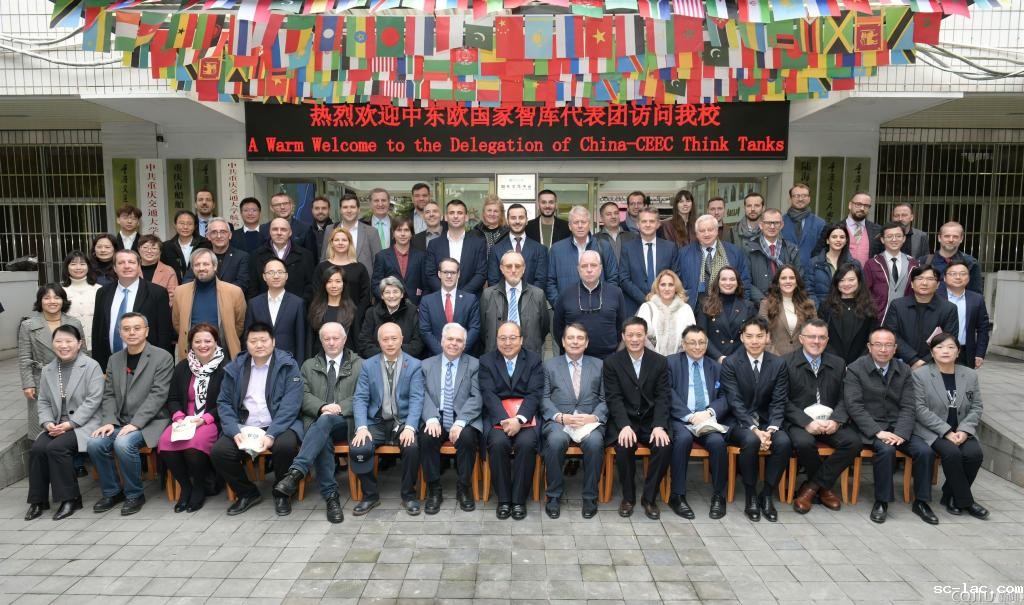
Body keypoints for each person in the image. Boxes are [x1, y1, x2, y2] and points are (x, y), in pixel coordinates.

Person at [273, 322, 364, 524]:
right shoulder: (308, 365)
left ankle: (296, 472)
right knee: (323, 436)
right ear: (321, 341)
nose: (331, 342)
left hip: (346, 422)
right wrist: (322, 407)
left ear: (344, 339)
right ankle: (332, 498)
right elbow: (302, 395)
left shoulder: (359, 364)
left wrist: (338, 407)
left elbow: (363, 395)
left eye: (335, 338)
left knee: (326, 422)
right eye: (326, 338)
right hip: (317, 422)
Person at [212, 322, 304, 516]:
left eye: (264, 340)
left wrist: (271, 434)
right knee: (220, 452)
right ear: (246, 344)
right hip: (244, 425)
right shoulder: (235, 367)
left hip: (279, 423)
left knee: (285, 446)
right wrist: (233, 431)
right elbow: (224, 402)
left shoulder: (288, 365)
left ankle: (281, 492)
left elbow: (291, 405)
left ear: (273, 342)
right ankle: (247, 493)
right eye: (253, 341)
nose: (259, 345)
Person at [843, 327, 933, 524]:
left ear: (895, 348)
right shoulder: (856, 368)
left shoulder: (904, 370)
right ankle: (882, 501)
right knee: (886, 450)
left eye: (888, 345)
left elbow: (909, 405)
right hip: (871, 427)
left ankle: (922, 502)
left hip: (899, 426)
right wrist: (878, 432)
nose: (883, 349)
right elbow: (854, 406)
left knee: (924, 451)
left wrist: (901, 433)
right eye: (878, 345)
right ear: (869, 347)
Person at [88, 312, 173, 516]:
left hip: (152, 421)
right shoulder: (114, 359)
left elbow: (158, 395)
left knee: (123, 443)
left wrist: (136, 424)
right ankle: (112, 492)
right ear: (120, 333)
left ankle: (135, 494)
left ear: (146, 331)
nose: (132, 333)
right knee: (95, 443)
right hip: (120, 421)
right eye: (126, 329)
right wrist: (109, 421)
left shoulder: (162, 357)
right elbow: (109, 394)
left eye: (137, 328)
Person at [25, 324, 103, 521]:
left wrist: (71, 424)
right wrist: (47, 423)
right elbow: (43, 401)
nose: (64, 345)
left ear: (79, 344)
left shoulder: (91, 366)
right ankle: (38, 500)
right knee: (38, 448)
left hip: (85, 423)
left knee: (57, 448)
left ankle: (71, 499)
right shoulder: (48, 369)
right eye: (59, 341)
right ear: (53, 344)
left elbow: (93, 400)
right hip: (58, 423)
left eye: (69, 341)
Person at [784, 319, 861, 515]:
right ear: (801, 339)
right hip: (799, 422)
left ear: (827, 340)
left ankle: (811, 488)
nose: (816, 341)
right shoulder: (785, 362)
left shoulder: (838, 363)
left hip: (829, 421)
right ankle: (824, 489)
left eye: (821, 337)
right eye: (812, 337)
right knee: (804, 443)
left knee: (853, 442)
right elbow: (782, 400)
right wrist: (806, 423)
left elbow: (845, 398)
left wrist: (837, 420)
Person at [720, 316, 791, 522]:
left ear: (767, 337)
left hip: (768, 421)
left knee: (784, 442)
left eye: (759, 336)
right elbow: (734, 401)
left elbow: (779, 400)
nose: (754, 341)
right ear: (742, 337)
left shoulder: (778, 363)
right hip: (738, 421)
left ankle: (766, 494)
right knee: (751, 441)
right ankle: (750, 494)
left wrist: (771, 429)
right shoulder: (731, 363)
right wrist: (753, 429)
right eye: (749, 336)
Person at [349, 322, 425, 515]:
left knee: (412, 446)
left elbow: (417, 399)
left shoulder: (414, 365)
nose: (390, 343)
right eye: (385, 339)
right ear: (379, 341)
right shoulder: (368, 365)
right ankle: (370, 495)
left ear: (402, 339)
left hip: (402, 422)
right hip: (376, 422)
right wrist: (361, 427)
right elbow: (360, 398)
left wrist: (411, 427)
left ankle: (408, 495)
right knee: (359, 447)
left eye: (394, 338)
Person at [910, 333, 988, 520]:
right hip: (933, 431)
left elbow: (977, 406)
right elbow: (919, 409)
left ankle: (951, 495)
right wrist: (946, 431)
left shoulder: (969, 375)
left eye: (951, 347)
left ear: (958, 352)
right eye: (939, 347)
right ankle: (966, 501)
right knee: (952, 453)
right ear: (932, 352)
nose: (945, 351)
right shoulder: (920, 375)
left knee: (974, 454)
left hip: (961, 430)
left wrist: (964, 430)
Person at [604, 317, 672, 520]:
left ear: (645, 337)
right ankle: (628, 497)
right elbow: (613, 398)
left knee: (664, 446)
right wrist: (624, 425)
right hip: (626, 420)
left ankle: (649, 498)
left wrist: (659, 425)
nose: (634, 339)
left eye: (639, 335)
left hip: (651, 420)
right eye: (630, 335)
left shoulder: (659, 361)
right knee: (624, 446)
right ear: (623, 336)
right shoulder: (612, 363)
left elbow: (663, 397)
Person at [157, 323, 226, 513]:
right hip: (185, 419)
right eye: (197, 341)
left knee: (193, 444)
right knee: (165, 442)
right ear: (191, 344)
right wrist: (179, 417)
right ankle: (186, 486)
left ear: (216, 342)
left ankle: (199, 488)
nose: (203, 345)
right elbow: (172, 398)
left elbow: (228, 403)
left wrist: (205, 419)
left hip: (211, 419)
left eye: (207, 341)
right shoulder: (183, 367)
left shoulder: (226, 368)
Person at [478, 322, 544, 520]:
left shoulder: (533, 360)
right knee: (498, 443)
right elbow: (488, 394)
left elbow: (535, 393)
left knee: (526, 444)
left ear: (521, 340)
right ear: (496, 340)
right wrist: (505, 420)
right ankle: (504, 499)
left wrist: (519, 420)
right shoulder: (486, 361)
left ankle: (519, 500)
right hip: (498, 416)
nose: (507, 343)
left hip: (526, 417)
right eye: (503, 338)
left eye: (512, 338)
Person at [540, 323, 606, 519]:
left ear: (586, 343)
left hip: (589, 421)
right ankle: (553, 495)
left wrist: (593, 417)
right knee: (555, 441)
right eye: (570, 338)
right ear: (562, 341)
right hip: (559, 420)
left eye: (580, 338)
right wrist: (559, 417)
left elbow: (606, 399)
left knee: (595, 443)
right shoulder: (549, 365)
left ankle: (590, 496)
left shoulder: (600, 365)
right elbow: (543, 398)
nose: (575, 342)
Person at [418, 323, 483, 514]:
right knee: (427, 438)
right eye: (450, 339)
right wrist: (430, 418)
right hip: (435, 415)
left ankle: (464, 487)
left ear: (464, 344)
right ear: (441, 341)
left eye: (459, 340)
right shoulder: (426, 365)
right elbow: (421, 394)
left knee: (468, 438)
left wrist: (461, 422)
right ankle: (434, 489)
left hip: (463, 417)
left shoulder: (475, 365)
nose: (454, 343)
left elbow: (477, 397)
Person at [666, 325, 729, 519]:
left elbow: (726, 396)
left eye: (701, 342)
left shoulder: (715, 367)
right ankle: (677, 495)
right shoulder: (670, 363)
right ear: (683, 344)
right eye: (692, 342)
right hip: (681, 419)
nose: (697, 346)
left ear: (707, 344)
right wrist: (689, 416)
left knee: (718, 443)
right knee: (683, 440)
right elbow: (667, 392)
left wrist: (710, 412)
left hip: (706, 419)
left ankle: (719, 496)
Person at [20, 284, 87, 438]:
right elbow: (24, 357)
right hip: (41, 378)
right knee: (43, 423)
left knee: (71, 421)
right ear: (40, 301)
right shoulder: (28, 325)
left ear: (63, 300)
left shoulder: (74, 323)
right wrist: (28, 383)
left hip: (71, 377)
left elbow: (82, 352)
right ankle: (40, 448)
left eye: (57, 297)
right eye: (47, 298)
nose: (52, 301)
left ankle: (72, 449)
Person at [91, 249, 172, 372]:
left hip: (147, 365)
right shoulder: (103, 293)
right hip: (110, 364)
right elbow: (97, 330)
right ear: (114, 268)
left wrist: (160, 365)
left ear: (139, 266)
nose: (126, 266)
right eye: (121, 262)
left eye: (131, 262)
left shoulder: (157, 293)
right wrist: (99, 367)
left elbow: (164, 333)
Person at [172, 249, 246, 360]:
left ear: (215, 266)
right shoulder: (180, 292)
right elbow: (178, 323)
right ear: (192, 268)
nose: (201, 268)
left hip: (224, 355)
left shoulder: (234, 292)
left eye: (206, 264)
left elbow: (239, 325)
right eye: (197, 265)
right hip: (192, 355)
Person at [552, 250, 626, 359]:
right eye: (584, 266)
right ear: (578, 269)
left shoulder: (616, 293)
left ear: (600, 268)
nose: (589, 270)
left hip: (608, 358)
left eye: (593, 265)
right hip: (576, 358)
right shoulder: (565, 294)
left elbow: (621, 326)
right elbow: (558, 329)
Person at [883, 265, 959, 369]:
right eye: (919, 278)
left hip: (934, 365)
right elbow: (891, 334)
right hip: (900, 363)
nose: (924, 283)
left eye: (930, 279)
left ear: (937, 284)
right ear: (912, 283)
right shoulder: (897, 305)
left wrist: (924, 362)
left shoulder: (949, 308)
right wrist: (913, 359)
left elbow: (949, 338)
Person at [545, 205, 619, 307]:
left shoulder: (604, 246)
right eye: (576, 222)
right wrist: (559, 305)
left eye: (583, 222)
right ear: (570, 226)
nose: (580, 226)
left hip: (599, 307)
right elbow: (550, 282)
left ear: (589, 224)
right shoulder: (556, 249)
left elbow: (613, 278)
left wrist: (605, 303)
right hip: (567, 309)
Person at [675, 215, 753, 310]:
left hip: (727, 307)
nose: (706, 234)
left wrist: (742, 307)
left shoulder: (734, 252)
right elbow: (677, 283)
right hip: (694, 309)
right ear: (696, 234)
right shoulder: (683, 254)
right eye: (702, 231)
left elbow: (744, 282)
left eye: (710, 230)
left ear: (717, 231)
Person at [480, 250, 548, 355]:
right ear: (501, 268)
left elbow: (544, 328)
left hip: (529, 356)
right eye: (508, 266)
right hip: (495, 355)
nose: (513, 270)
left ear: (524, 268)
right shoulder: (488, 295)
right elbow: (483, 330)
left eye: (517, 266)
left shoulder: (538, 294)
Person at [619, 207, 679, 316]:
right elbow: (624, 279)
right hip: (635, 307)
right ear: (638, 224)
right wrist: (646, 299)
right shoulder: (627, 248)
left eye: (652, 221)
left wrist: (660, 298)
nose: (648, 225)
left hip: (665, 306)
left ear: (658, 224)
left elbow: (675, 276)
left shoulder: (670, 248)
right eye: (644, 221)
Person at [244, 258, 306, 362]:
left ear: (286, 276)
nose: (276, 276)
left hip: (288, 361)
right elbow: (248, 336)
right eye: (271, 272)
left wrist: (298, 365)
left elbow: (301, 339)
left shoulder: (298, 303)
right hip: (260, 361)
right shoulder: (254, 304)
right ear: (264, 277)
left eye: (280, 272)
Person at [424, 200, 488, 296]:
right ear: (446, 217)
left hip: (469, 299)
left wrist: (461, 296)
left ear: (466, 217)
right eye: (451, 213)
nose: (455, 216)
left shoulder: (479, 243)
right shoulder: (434, 244)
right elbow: (430, 274)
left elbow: (481, 274)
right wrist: (446, 294)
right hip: (441, 299)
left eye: (460, 213)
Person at [817, 264, 878, 365]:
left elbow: (873, 339)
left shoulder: (869, 308)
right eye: (842, 280)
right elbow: (820, 336)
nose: (846, 284)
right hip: (831, 364)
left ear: (859, 281)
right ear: (836, 282)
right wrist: (838, 363)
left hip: (861, 365)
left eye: (851, 280)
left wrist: (857, 364)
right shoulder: (826, 307)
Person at [419, 257, 481, 356]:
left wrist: (458, 350)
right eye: (445, 272)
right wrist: (443, 354)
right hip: (436, 357)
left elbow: (474, 328)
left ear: (458, 274)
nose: (449, 276)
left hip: (463, 356)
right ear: (439, 274)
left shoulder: (470, 299)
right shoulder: (427, 301)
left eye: (452, 272)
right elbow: (425, 331)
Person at [249, 217, 316, 303]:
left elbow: (310, 285)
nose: (279, 233)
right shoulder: (256, 255)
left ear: (290, 232)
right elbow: (252, 286)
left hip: (297, 307)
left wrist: (301, 304)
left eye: (283, 230)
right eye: (275, 229)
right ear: (269, 232)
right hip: (265, 307)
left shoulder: (305, 255)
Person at [746, 208, 803, 305]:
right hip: (759, 306)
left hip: (786, 303)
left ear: (782, 225)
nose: (772, 226)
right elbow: (746, 281)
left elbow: (799, 277)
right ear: (761, 225)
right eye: (768, 223)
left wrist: (786, 299)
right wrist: (763, 302)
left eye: (776, 223)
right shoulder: (749, 249)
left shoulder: (792, 249)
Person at [358, 276, 424, 359]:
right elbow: (364, 342)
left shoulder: (412, 312)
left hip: (406, 361)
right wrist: (385, 356)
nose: (391, 296)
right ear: (382, 296)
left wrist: (395, 354)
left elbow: (418, 343)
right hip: (377, 360)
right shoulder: (371, 313)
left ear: (402, 294)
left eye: (395, 292)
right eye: (387, 292)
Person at [864, 221, 920, 319]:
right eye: (889, 236)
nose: (894, 239)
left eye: (898, 236)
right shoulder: (872, 264)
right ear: (882, 239)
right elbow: (865, 292)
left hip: (906, 317)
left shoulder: (913, 264)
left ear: (904, 238)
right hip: (879, 317)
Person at [487, 203, 548, 290]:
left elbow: (541, 281)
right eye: (513, 218)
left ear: (526, 220)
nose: (517, 221)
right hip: (503, 298)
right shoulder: (495, 250)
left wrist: (528, 297)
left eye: (521, 217)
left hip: (532, 298)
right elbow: (493, 282)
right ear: (508, 221)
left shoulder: (540, 250)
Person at [759, 265, 817, 357]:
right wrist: (777, 359)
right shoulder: (766, 304)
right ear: (778, 282)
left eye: (792, 278)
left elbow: (815, 333)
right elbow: (762, 335)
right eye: (783, 278)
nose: (788, 281)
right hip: (775, 359)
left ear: (797, 282)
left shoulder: (809, 304)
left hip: (803, 359)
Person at [316, 225, 372, 317]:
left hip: (355, 317)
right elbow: (317, 294)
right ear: (331, 243)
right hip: (327, 316)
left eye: (344, 240)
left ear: (350, 243)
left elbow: (365, 297)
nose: (340, 243)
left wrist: (357, 316)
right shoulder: (322, 267)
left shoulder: (360, 268)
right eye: (336, 240)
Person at [637, 270, 695, 357]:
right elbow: (640, 336)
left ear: (676, 287)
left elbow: (691, 338)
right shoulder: (647, 307)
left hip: (678, 361)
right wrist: (657, 359)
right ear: (657, 287)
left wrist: (676, 360)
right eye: (663, 284)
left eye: (671, 285)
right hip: (651, 360)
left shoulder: (686, 309)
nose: (667, 289)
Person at [944, 260, 990, 369]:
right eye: (953, 274)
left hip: (965, 352)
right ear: (945, 278)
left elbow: (983, 328)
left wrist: (980, 353)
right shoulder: (935, 297)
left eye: (963, 274)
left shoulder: (977, 299)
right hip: (939, 350)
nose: (958, 277)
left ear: (968, 278)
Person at [184, 217, 250, 293]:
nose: (219, 236)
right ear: (208, 236)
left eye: (223, 232)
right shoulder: (200, 256)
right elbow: (187, 280)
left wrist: (215, 293)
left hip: (230, 298)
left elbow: (242, 283)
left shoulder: (242, 257)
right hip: (203, 297)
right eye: (214, 232)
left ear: (230, 235)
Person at [372, 217, 426, 304]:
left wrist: (421, 306)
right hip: (388, 307)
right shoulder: (382, 256)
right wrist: (388, 301)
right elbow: (376, 285)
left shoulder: (421, 256)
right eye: (399, 230)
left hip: (415, 307)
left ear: (411, 234)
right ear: (393, 233)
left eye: (406, 230)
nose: (402, 234)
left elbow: (426, 285)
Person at [920, 221, 983, 295]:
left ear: (961, 239)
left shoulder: (970, 263)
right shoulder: (924, 261)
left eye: (955, 237)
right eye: (947, 236)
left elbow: (975, 294)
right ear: (939, 238)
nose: (951, 240)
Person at [307, 265, 358, 357]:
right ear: (324, 285)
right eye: (329, 281)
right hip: (319, 358)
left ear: (344, 284)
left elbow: (355, 340)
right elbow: (310, 339)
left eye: (338, 281)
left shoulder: (352, 309)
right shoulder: (316, 308)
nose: (333, 286)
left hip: (345, 358)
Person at [807, 223, 860, 306]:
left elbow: (860, 290)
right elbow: (809, 290)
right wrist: (819, 309)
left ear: (846, 241)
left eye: (842, 237)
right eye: (834, 237)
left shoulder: (854, 264)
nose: (838, 240)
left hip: (847, 309)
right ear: (827, 240)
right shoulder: (814, 263)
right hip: (821, 310)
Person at [61, 250, 102, 351]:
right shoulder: (61, 291)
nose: (78, 267)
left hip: (97, 344)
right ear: (67, 267)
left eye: (82, 264)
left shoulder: (99, 289)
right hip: (69, 345)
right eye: (73, 264)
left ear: (88, 267)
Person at [333, 193, 382, 277]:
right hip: (336, 282)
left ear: (358, 210)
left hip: (364, 282)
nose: (349, 211)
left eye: (352, 207)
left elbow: (379, 263)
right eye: (345, 207)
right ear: (340, 210)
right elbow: (324, 259)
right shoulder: (330, 230)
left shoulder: (371, 232)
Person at [781, 184, 826, 270]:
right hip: (785, 271)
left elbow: (823, 250)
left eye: (804, 196)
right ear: (790, 199)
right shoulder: (780, 222)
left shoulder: (820, 223)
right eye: (796, 196)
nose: (800, 199)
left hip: (811, 271)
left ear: (809, 199)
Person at [162, 210, 212, 281]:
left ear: (195, 226)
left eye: (189, 224)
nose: (185, 227)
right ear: (175, 225)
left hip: (200, 284)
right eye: (181, 223)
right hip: (175, 286)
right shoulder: (166, 247)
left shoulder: (205, 244)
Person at [137, 235, 179, 307]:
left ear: (160, 252)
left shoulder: (168, 271)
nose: (149, 251)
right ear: (138, 249)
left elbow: (173, 296)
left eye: (154, 248)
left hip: (159, 310)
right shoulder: (131, 269)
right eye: (145, 247)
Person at [843, 192, 884, 266]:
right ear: (850, 205)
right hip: (841, 272)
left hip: (869, 272)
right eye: (858, 204)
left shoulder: (878, 230)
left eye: (866, 206)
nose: (862, 208)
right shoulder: (835, 227)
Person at [469, 194, 510, 266]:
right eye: (489, 210)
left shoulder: (508, 233)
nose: (492, 214)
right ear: (484, 213)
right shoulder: (475, 233)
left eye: (496, 211)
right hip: (480, 272)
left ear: (501, 213)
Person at [304, 195, 334, 260]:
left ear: (329, 210)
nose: (320, 211)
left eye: (324, 208)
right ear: (312, 210)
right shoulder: (306, 231)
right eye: (317, 208)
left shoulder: (336, 230)